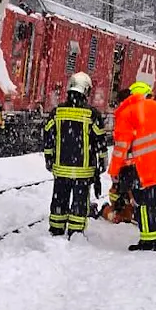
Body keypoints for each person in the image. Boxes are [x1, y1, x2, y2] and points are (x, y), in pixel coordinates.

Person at [108, 81, 156, 251]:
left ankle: (149, 241)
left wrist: (114, 170)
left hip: (145, 168)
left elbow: (121, 147)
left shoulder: (127, 112)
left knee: (144, 204)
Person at [42, 72, 107, 239]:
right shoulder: (92, 114)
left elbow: (48, 137)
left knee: (59, 199)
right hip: (83, 170)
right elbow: (100, 141)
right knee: (79, 202)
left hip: (61, 168)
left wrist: (49, 159)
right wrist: (102, 163)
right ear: (86, 90)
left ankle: (56, 229)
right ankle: (75, 232)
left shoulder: (57, 112)